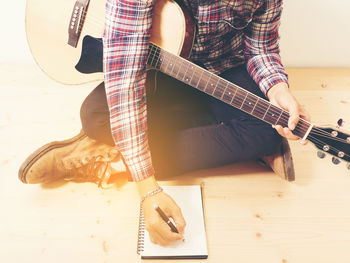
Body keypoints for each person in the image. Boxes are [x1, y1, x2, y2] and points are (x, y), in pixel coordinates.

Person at [19, 0, 310, 247]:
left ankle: (124, 156)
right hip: (160, 72)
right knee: (96, 116)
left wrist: (277, 89)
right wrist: (147, 188)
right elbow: (124, 77)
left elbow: (260, 47)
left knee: (267, 128)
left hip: (223, 70)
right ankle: (110, 154)